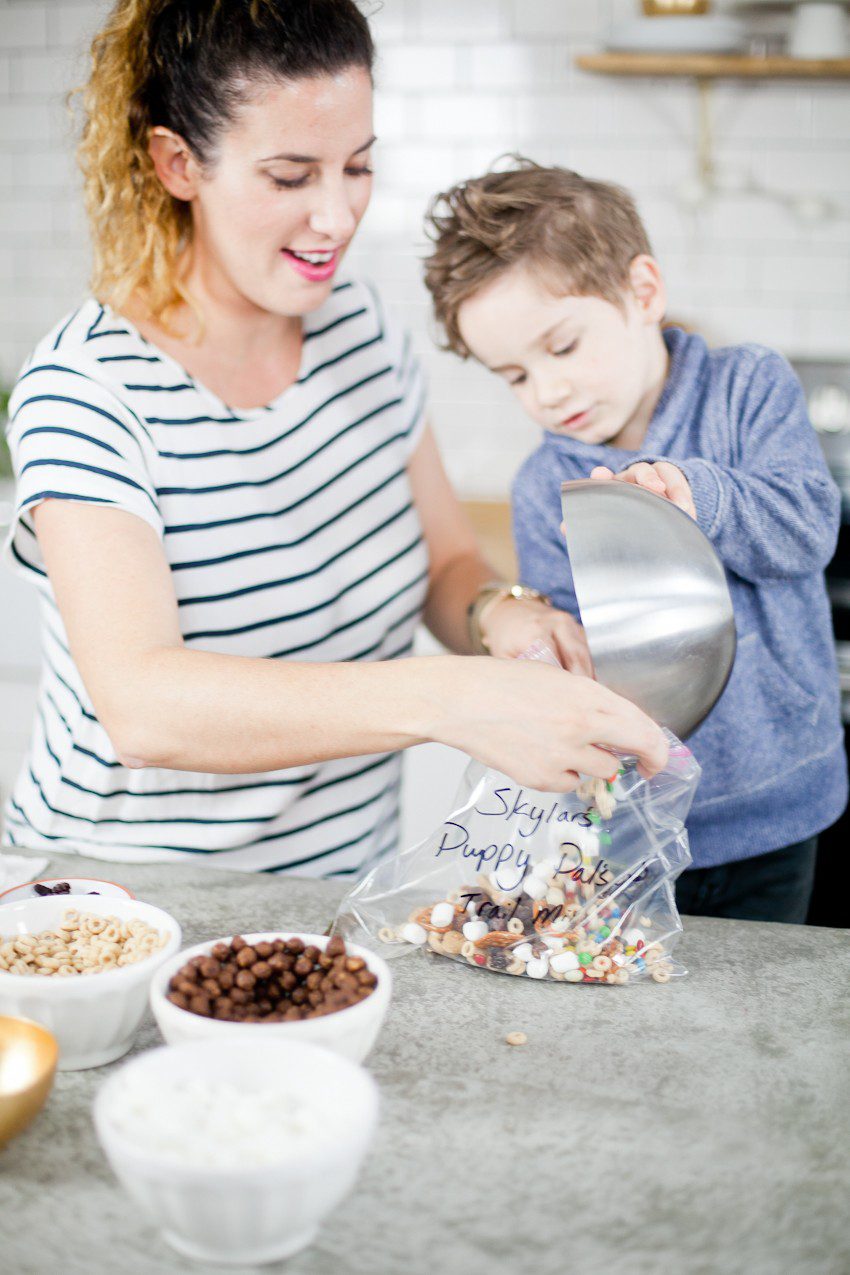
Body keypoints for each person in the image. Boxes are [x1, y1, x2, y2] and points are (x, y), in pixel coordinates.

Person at [0, 6, 666, 876]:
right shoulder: (87, 390)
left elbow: (444, 563)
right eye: (288, 176)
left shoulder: (359, 327)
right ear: (177, 164)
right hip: (123, 902)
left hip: (341, 896)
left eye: (357, 166)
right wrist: (453, 698)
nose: (336, 215)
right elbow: (144, 707)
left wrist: (501, 617)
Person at [423, 157, 848, 924]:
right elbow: (583, 660)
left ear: (642, 292)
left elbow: (807, 530)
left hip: (778, 810)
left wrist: (697, 495)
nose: (545, 392)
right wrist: (545, 653)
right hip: (631, 827)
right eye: (513, 375)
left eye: (561, 347)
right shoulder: (541, 486)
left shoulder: (747, 387)